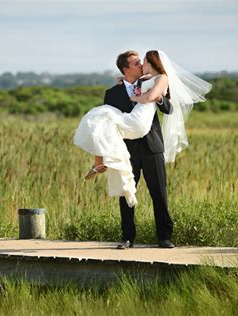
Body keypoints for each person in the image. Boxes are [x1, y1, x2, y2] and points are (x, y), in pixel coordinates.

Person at [73, 50, 211, 249]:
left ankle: (164, 237)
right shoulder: (112, 93)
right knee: (125, 191)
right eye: (136, 63)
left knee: (159, 193)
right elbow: (108, 126)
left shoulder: (152, 81)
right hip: (126, 150)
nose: (141, 65)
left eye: (141, 62)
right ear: (125, 69)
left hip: (152, 146)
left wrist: (158, 98)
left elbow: (168, 109)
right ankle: (127, 237)